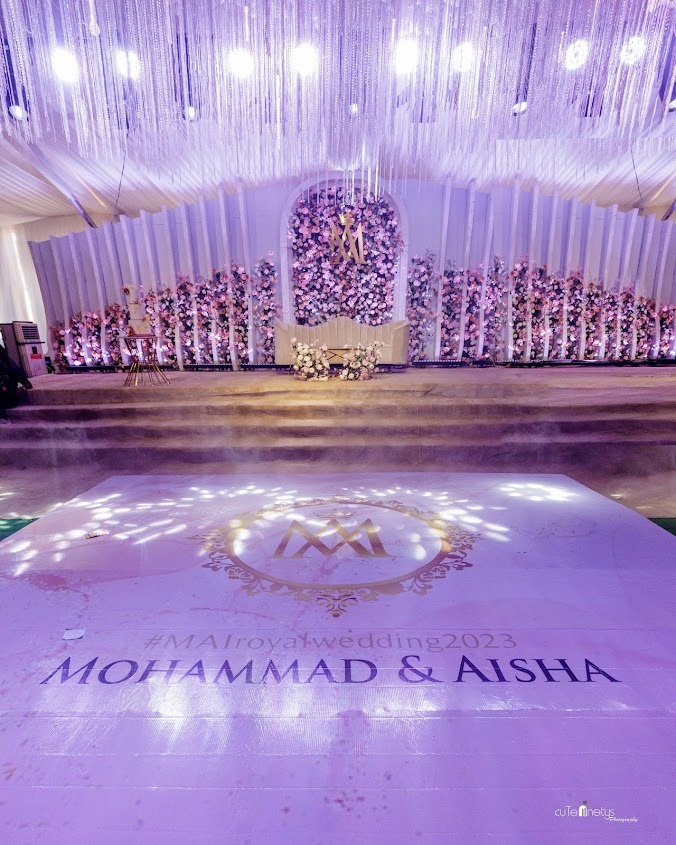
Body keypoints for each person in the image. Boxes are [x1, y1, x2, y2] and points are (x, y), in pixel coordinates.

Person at [0, 342, 32, 423]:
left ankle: (3, 418)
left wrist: (23, 388)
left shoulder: (13, 369)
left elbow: (28, 384)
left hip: (9, 398)